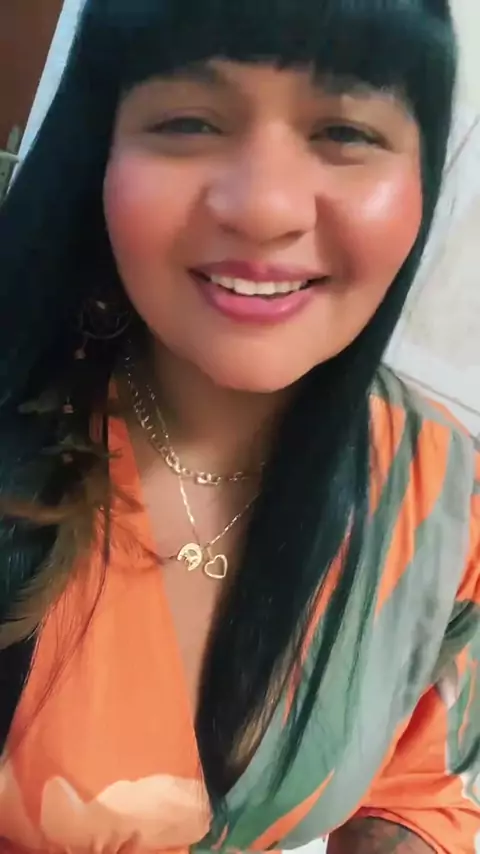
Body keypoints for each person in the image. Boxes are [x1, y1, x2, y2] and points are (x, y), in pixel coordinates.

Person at [0, 0, 478, 851]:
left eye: (344, 132)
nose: (264, 209)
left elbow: (418, 782)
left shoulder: (443, 495)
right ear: (100, 147)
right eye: (188, 122)